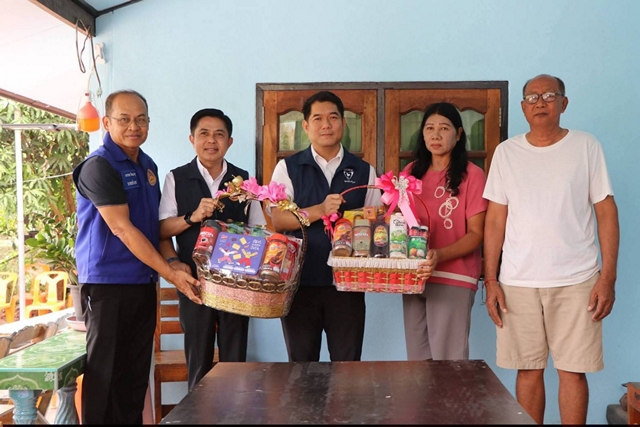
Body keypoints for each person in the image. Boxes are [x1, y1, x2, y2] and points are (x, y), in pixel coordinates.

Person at [483, 74, 619, 424]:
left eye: (549, 95)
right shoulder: (507, 153)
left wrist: (607, 277)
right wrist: (491, 280)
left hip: (578, 280)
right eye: (532, 97)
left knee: (573, 370)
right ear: (523, 107)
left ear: (564, 103)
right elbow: (495, 220)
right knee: (527, 370)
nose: (540, 102)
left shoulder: (586, 146)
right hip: (517, 281)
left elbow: (606, 211)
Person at [73, 90, 201, 424]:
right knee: (105, 376)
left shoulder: (147, 166)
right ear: (107, 122)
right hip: (107, 286)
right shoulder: (98, 166)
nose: (134, 126)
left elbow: (153, 228)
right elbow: (123, 229)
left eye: (141, 119)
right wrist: (171, 275)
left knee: (133, 377)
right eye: (125, 119)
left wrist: (171, 262)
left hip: (142, 283)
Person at [268, 91, 381, 362]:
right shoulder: (288, 168)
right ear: (306, 126)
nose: (326, 125)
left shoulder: (364, 171)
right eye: (318, 118)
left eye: (333, 117)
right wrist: (319, 210)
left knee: (347, 367)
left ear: (343, 123)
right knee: (302, 367)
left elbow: (375, 222)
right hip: (299, 283)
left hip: (348, 286)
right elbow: (279, 220)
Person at [158, 108, 266, 391]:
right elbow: (162, 229)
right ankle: (198, 411)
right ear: (192, 139)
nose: (211, 140)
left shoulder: (244, 180)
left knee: (235, 361)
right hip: (194, 283)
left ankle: (235, 412)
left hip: (237, 283)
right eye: (204, 133)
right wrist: (192, 217)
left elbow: (259, 229)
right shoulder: (176, 178)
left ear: (229, 142)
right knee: (198, 359)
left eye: (219, 134)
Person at [402, 102, 487, 361]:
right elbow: (398, 222)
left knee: (449, 364)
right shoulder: (410, 173)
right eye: (429, 128)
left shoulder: (472, 175)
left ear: (458, 134)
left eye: (444, 128)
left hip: (454, 276)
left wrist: (438, 254)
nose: (436, 135)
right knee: (417, 363)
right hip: (414, 277)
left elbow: (476, 234)